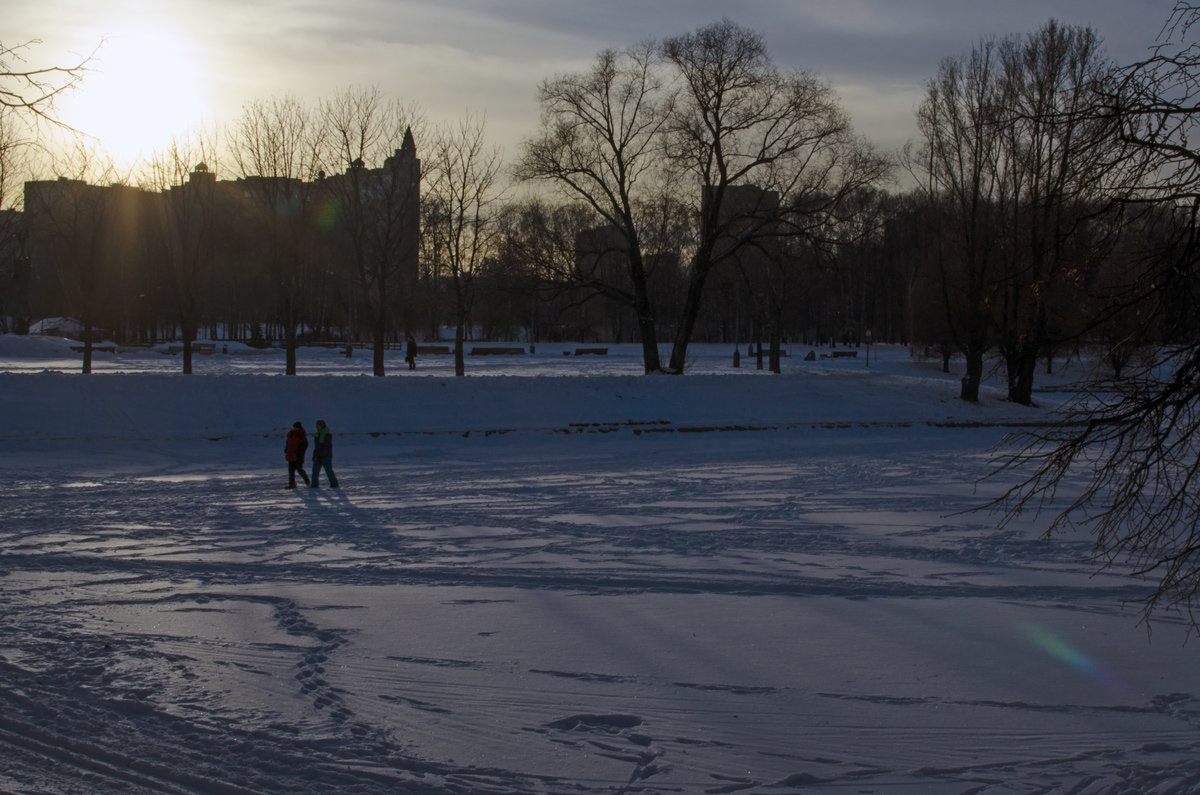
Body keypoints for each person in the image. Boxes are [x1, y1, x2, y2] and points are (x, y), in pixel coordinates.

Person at [310, 419, 339, 488]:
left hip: (326, 456)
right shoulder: (317, 435)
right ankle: (314, 486)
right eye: (316, 425)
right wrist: (314, 456)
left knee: (329, 471)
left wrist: (321, 455)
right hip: (318, 456)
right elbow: (316, 447)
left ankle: (334, 485)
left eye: (318, 425)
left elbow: (327, 447)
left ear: (322, 425)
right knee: (315, 472)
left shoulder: (327, 435)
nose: (316, 427)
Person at [284, 421, 310, 488]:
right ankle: (292, 484)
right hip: (291, 455)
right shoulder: (291, 435)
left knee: (299, 469)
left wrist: (298, 452)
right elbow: (288, 443)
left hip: (298, 456)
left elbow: (304, 445)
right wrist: (287, 449)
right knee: (291, 471)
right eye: (294, 427)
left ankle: (307, 481)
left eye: (296, 427)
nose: (295, 428)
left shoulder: (302, 436)